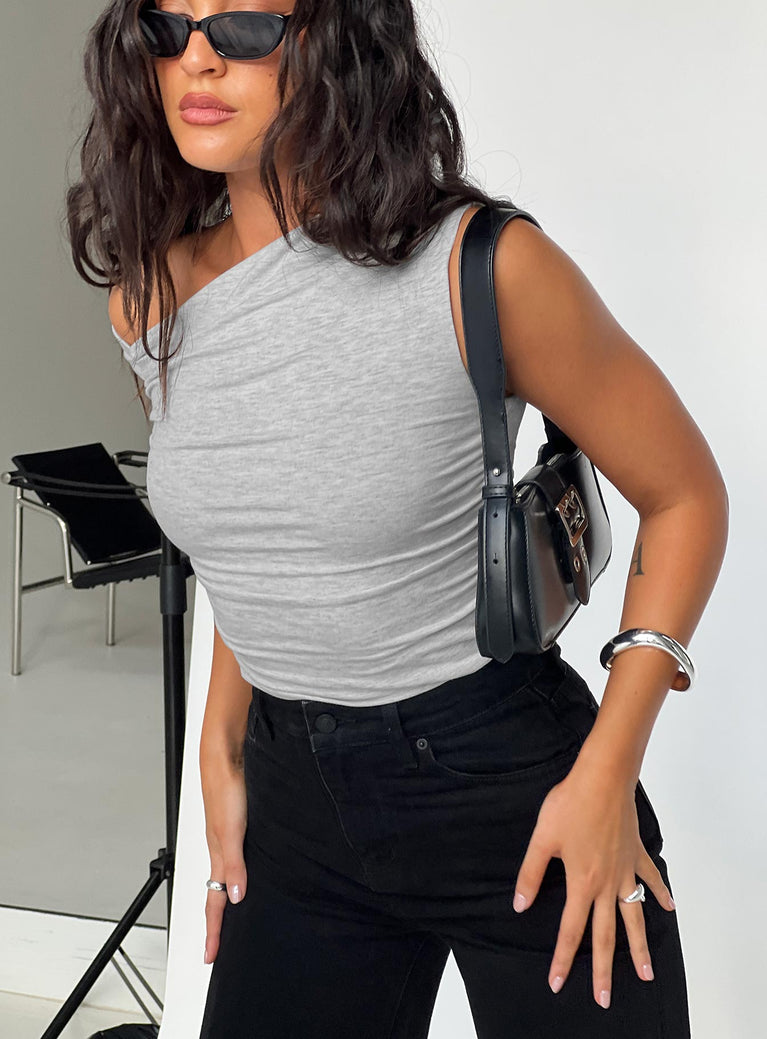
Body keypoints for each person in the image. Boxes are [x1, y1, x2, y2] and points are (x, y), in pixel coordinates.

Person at [67, 2, 728, 1036]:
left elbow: (684, 494)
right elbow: (267, 534)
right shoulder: (152, 301)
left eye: (241, 28)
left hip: (507, 788)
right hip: (295, 805)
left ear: (334, 40)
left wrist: (606, 776)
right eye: (167, 26)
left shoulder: (478, 265)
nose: (196, 59)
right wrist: (220, 745)